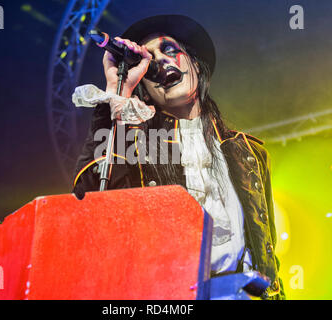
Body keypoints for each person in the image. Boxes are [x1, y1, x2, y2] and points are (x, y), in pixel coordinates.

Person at [72, 15, 285, 300]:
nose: (161, 62)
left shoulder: (249, 153)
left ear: (195, 63)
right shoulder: (137, 148)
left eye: (169, 50)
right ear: (145, 89)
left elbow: (266, 247)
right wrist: (118, 93)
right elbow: (88, 207)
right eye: (151, 62)